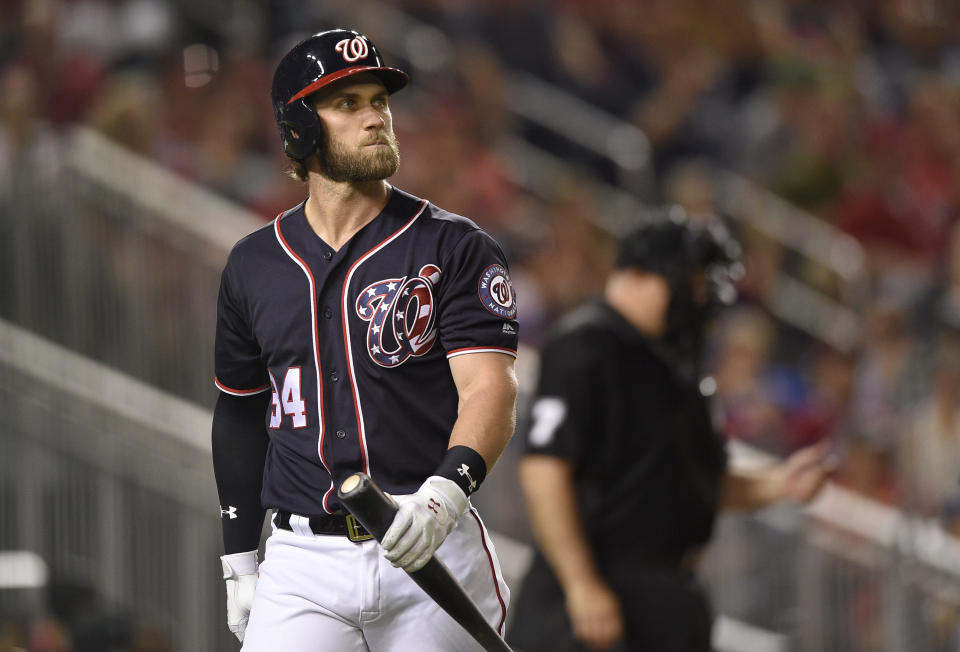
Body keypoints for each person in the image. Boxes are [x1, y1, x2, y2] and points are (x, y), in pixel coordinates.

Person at [211, 29, 519, 651]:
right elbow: (240, 413)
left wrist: (444, 496)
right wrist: (240, 558)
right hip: (302, 561)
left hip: (432, 535)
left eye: (379, 99)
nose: (375, 116)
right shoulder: (252, 265)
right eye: (346, 103)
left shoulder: (454, 245)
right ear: (300, 126)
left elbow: (490, 389)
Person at [506, 208, 830, 652]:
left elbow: (697, 481)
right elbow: (544, 471)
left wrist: (781, 484)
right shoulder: (585, 345)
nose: (699, 298)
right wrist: (581, 584)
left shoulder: (677, 366)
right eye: (689, 283)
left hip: (669, 599)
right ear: (639, 275)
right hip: (592, 595)